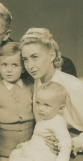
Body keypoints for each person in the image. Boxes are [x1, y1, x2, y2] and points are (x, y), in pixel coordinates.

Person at [19, 27, 83, 161]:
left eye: (35, 57)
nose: (30, 65)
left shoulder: (72, 85)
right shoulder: (37, 81)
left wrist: (74, 143)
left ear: (52, 55)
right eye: (25, 59)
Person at [0, 42, 34, 161]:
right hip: (3, 151)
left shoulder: (30, 86)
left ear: (23, 67)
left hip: (29, 147)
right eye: (4, 65)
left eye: (15, 65)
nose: (9, 70)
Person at [9, 81, 72, 161]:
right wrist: (26, 145)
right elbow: (37, 137)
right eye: (38, 103)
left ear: (60, 109)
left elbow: (66, 142)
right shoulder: (45, 118)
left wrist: (62, 159)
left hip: (42, 157)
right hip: (34, 152)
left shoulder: (57, 121)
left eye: (46, 105)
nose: (40, 108)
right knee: (15, 153)